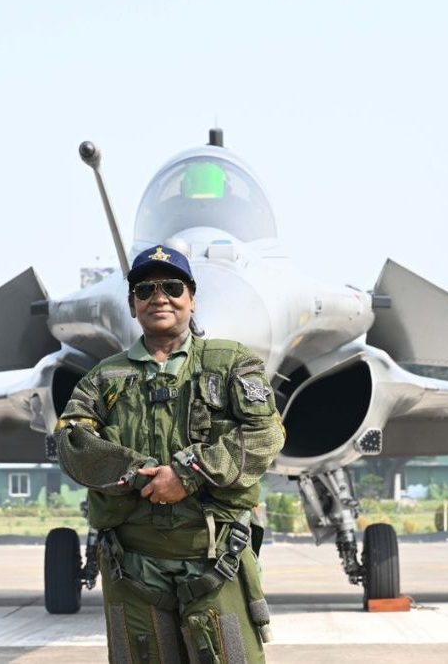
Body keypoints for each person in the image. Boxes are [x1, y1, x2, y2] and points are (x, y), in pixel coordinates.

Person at [55, 244, 286, 663]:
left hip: (217, 561)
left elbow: (265, 434)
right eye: (145, 290)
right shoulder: (103, 378)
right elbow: (73, 443)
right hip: (133, 566)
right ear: (132, 306)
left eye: (172, 287)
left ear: (192, 300)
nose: (158, 297)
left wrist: (188, 474)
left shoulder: (232, 364)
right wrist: (140, 473)